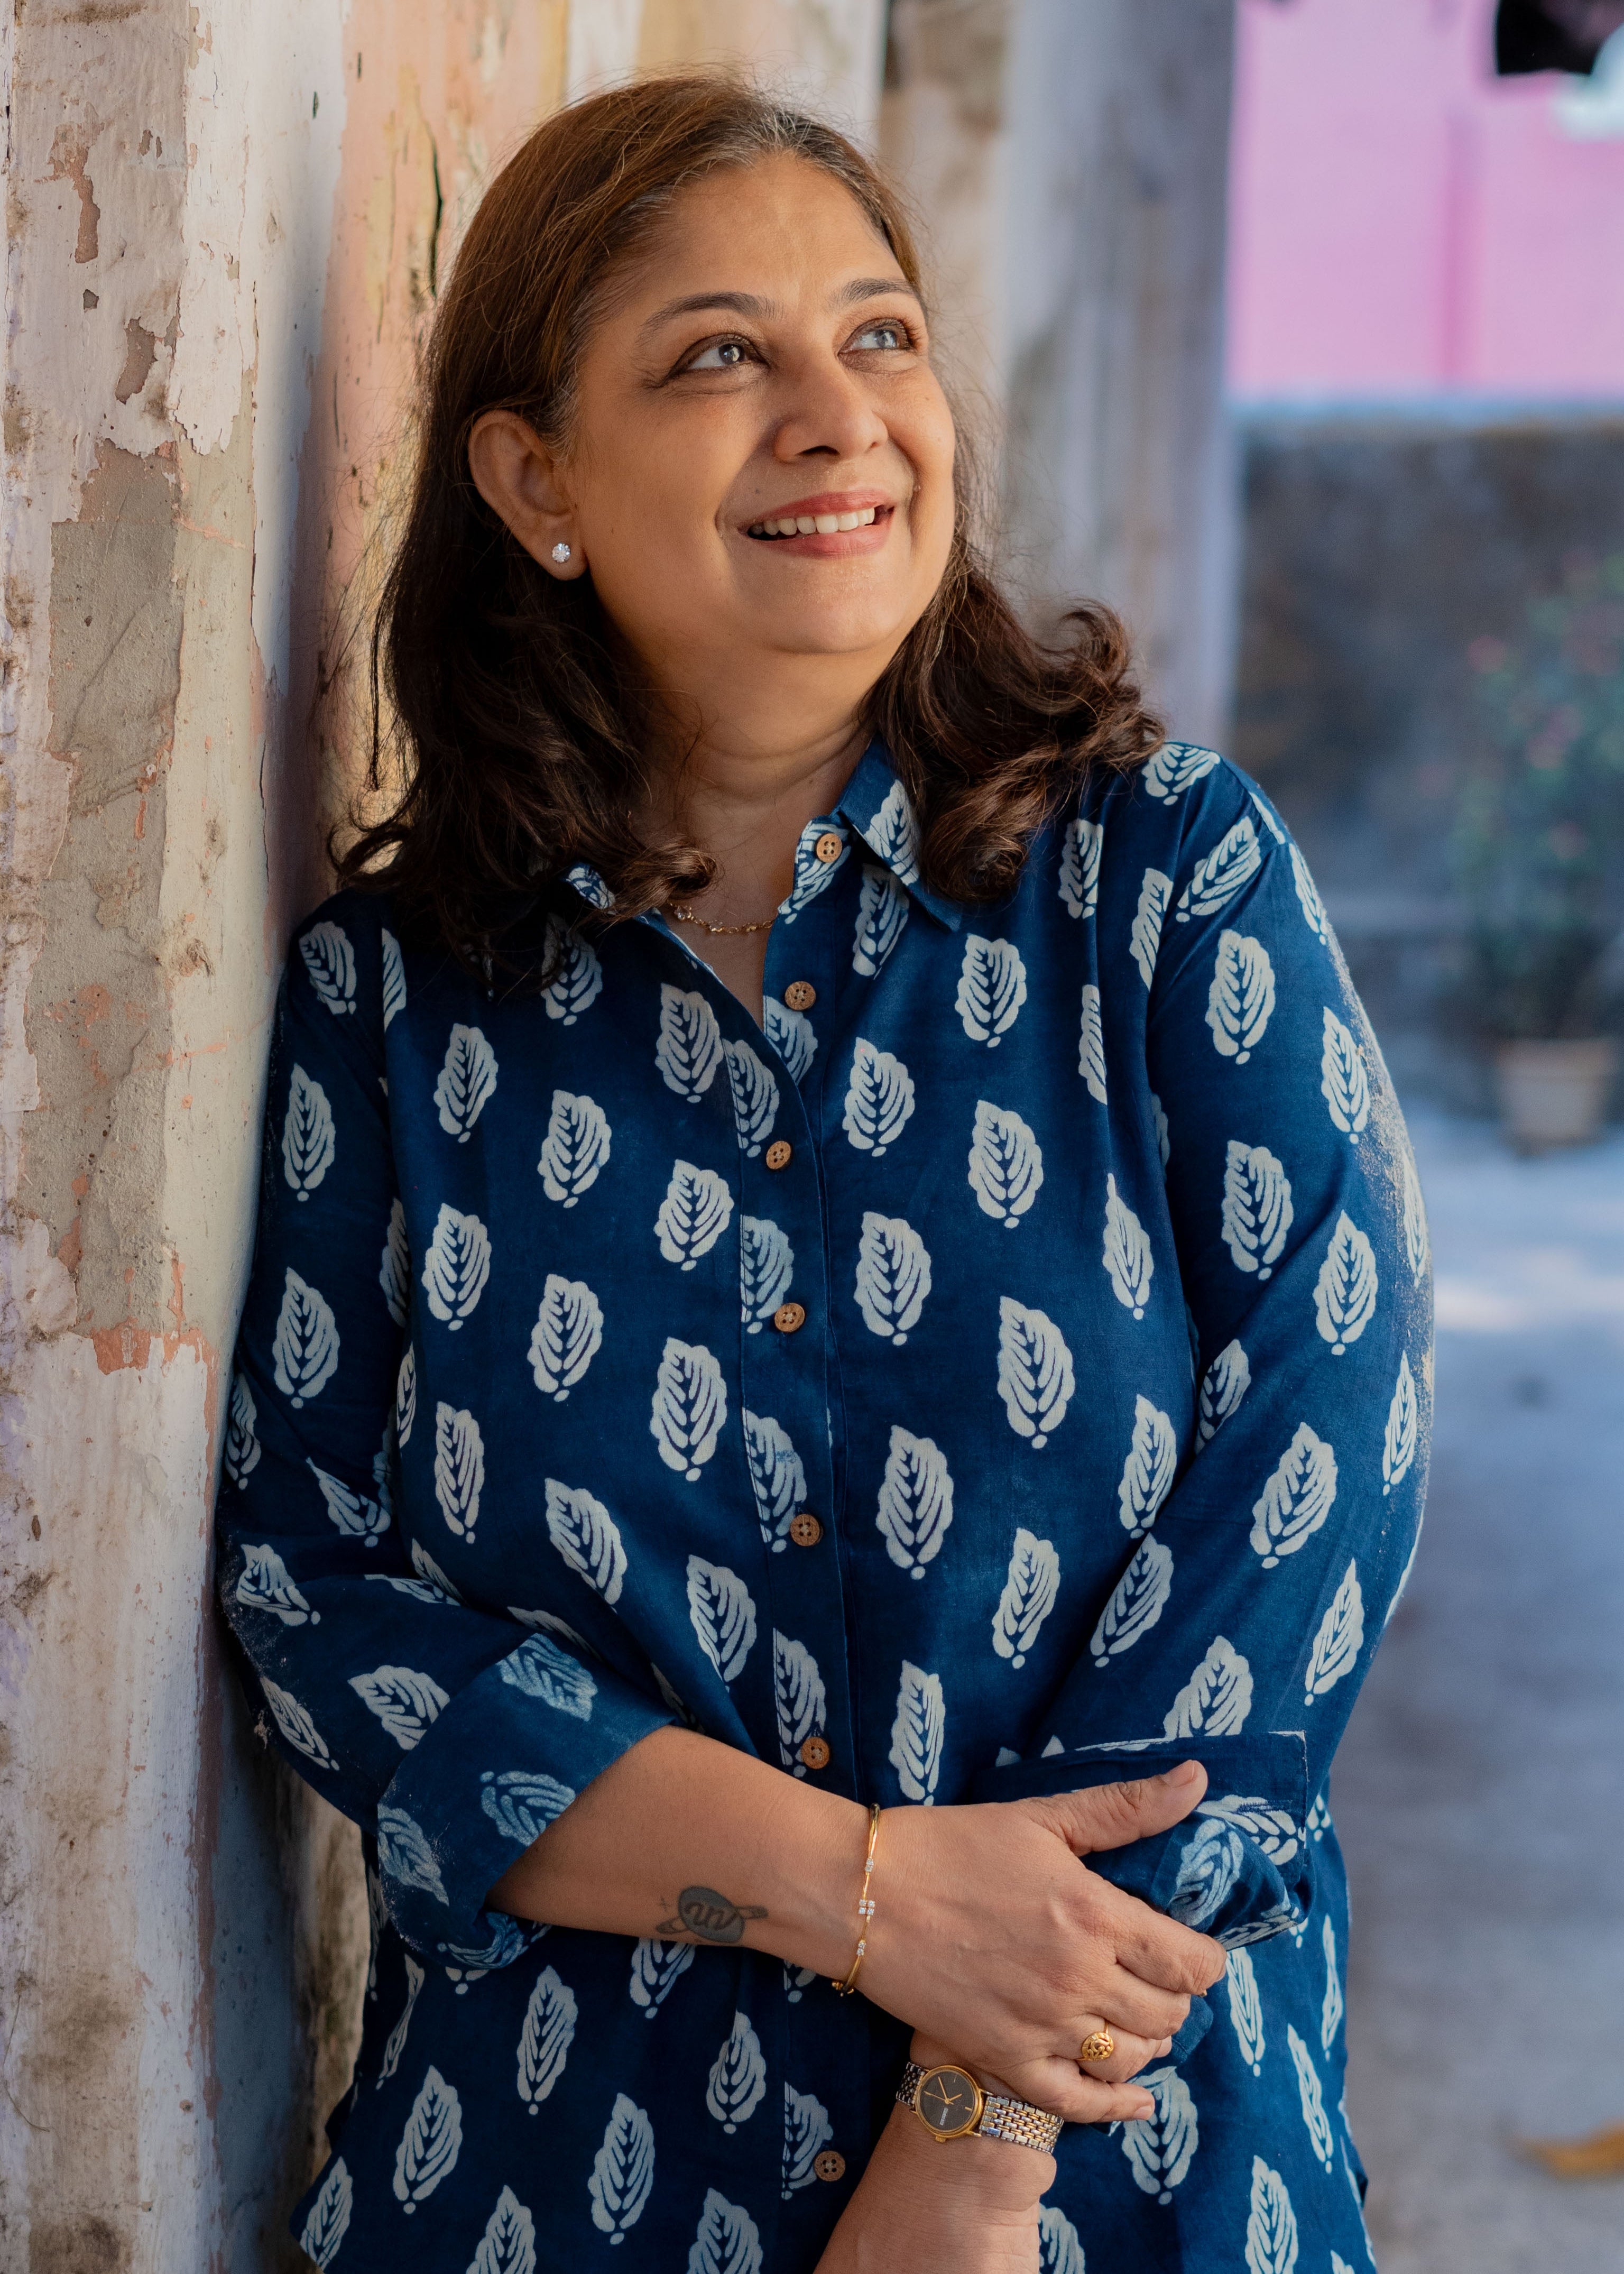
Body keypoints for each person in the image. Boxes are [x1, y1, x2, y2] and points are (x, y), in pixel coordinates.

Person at [218, 73, 1431, 2273]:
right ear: (536, 480)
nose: (836, 413)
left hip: (1115, 2174)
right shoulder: (398, 1000)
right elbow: (312, 1586)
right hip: (553, 2173)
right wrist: (850, 1887)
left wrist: (967, 2130)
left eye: (877, 336)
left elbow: (1320, 1465)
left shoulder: (1161, 889)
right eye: (716, 355)